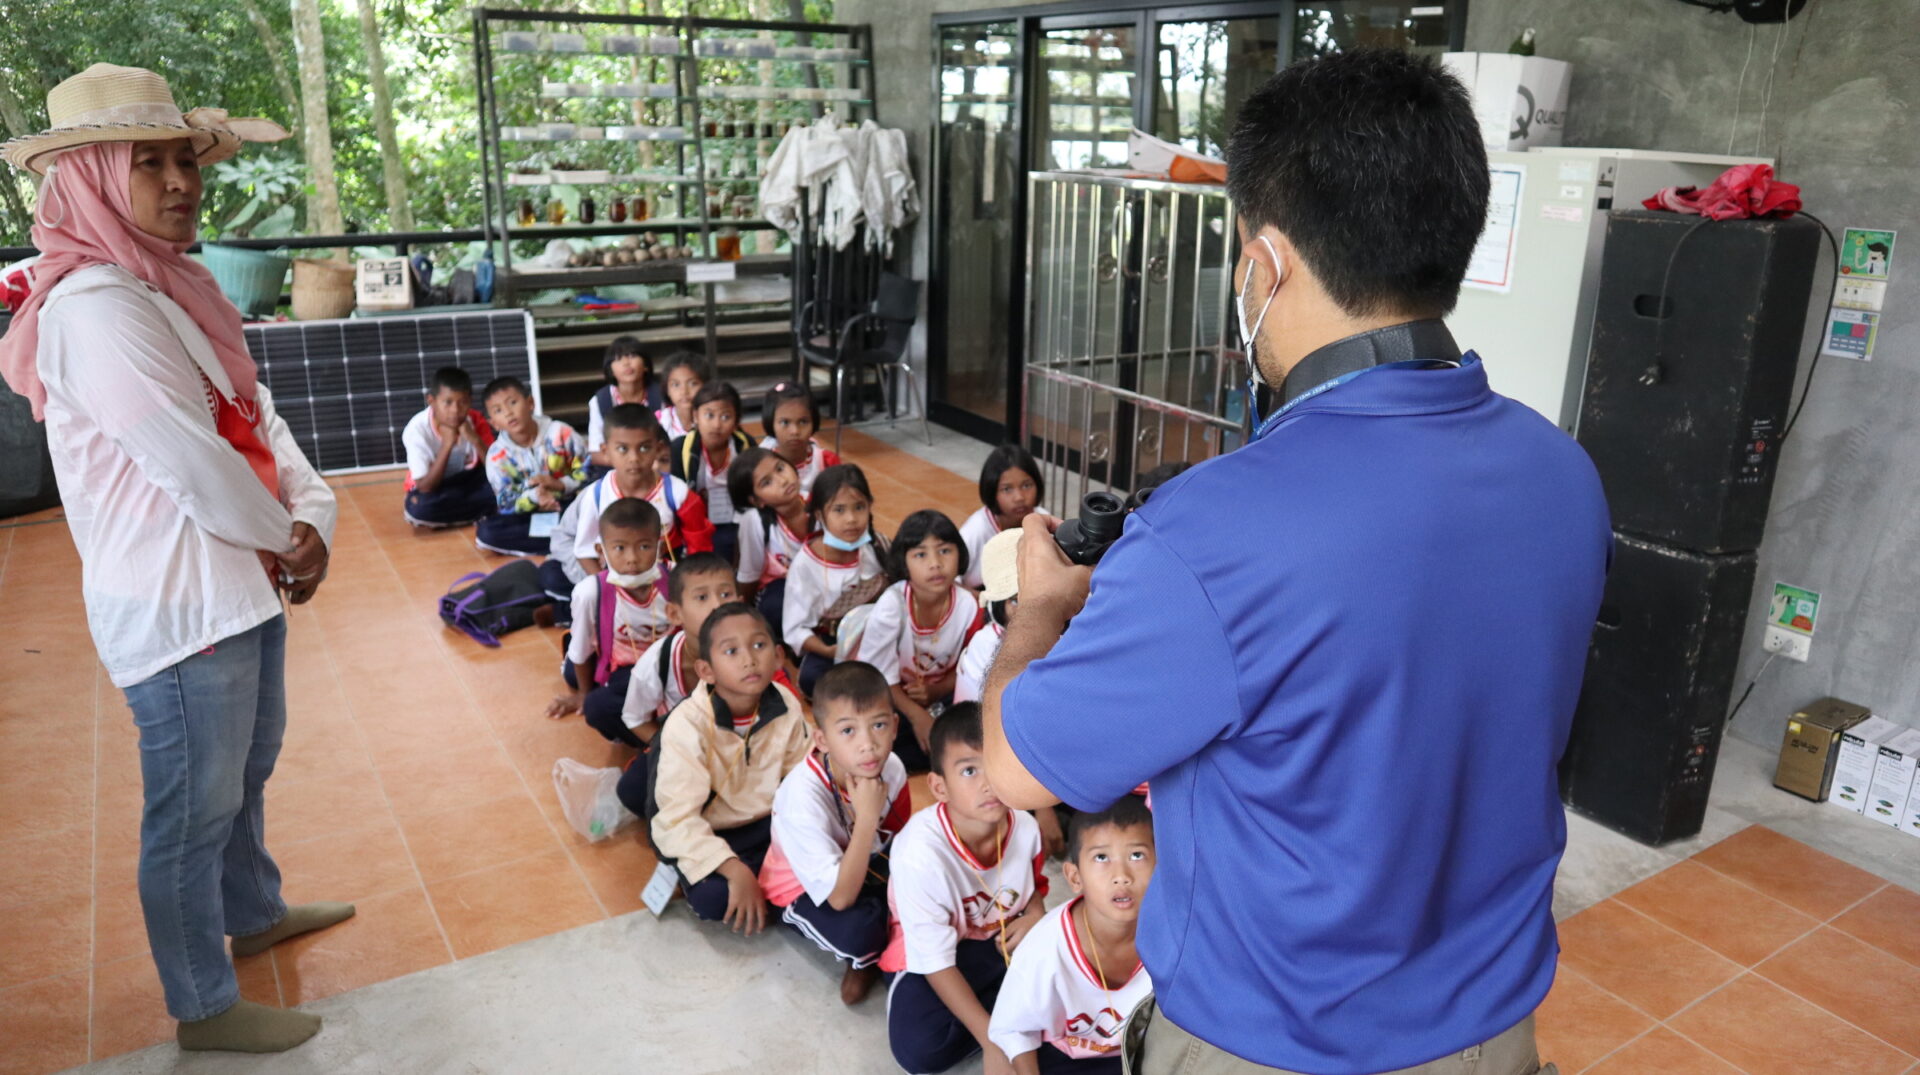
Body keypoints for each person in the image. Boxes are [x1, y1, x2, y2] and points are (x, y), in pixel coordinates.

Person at [981, 50, 1610, 1075]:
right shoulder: (1564, 476)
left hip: (1275, 1044)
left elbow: (1012, 766)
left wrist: (1039, 616)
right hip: (1496, 1033)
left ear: (1263, 266)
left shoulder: (1210, 534)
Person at [0, 64, 353, 1053]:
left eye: (182, 159)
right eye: (146, 162)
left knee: (244, 768)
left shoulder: (161, 285)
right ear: (89, 181)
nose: (180, 181)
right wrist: (288, 539)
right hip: (179, 607)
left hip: (234, 584)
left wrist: (312, 514)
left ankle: (252, 912)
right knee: (191, 807)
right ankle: (203, 1004)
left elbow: (248, 414)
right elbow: (192, 463)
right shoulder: (95, 310)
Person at [885, 703, 1050, 1075]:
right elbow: (936, 960)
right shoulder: (919, 853)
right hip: (941, 953)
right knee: (919, 1051)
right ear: (939, 787)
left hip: (999, 940)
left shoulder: (1024, 827)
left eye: (995, 764)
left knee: (1071, 998)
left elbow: (1035, 886)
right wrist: (990, 1039)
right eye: (970, 770)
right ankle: (1001, 1014)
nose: (988, 782)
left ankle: (1003, 1010)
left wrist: (1037, 912)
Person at [648, 603, 812, 929]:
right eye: (731, 651)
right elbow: (678, 818)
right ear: (706, 671)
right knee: (715, 899)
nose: (749, 659)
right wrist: (733, 868)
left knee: (830, 861)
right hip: (713, 830)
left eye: (759, 645)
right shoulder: (688, 724)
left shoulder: (786, 703)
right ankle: (761, 887)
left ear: (779, 656)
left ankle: (769, 888)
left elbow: (801, 782)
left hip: (768, 825)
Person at [759, 661, 912, 1005]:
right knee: (860, 932)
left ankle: (891, 933)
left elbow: (900, 843)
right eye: (848, 731)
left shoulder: (894, 768)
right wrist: (868, 816)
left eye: (878, 725)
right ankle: (864, 960)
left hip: (867, 861)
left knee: (930, 883)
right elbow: (839, 898)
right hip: (803, 889)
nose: (868, 745)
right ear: (822, 740)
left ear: (895, 726)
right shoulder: (802, 796)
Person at [987, 797, 1156, 1075]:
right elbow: (1014, 1030)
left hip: (1145, 1052)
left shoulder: (1178, 934)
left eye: (1136, 855)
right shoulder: (1045, 946)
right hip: (1068, 1059)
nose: (1121, 876)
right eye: (1101, 858)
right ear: (1074, 877)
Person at [855, 509, 984, 771]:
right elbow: (877, 676)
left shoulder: (970, 605)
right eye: (920, 554)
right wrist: (917, 716)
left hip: (944, 694)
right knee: (881, 737)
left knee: (978, 720)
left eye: (945, 551)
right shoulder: (893, 605)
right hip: (893, 695)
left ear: (960, 554)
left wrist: (936, 691)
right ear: (904, 563)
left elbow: (968, 667)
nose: (935, 563)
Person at [546, 498, 672, 744]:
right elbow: (581, 651)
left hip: (671, 671)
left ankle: (661, 736)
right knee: (596, 706)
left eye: (645, 546)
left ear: (661, 546)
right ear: (601, 552)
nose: (632, 558)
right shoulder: (590, 592)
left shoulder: (677, 579)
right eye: (620, 548)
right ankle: (660, 744)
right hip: (626, 674)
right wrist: (583, 695)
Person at [782, 463, 887, 696]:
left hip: (878, 635)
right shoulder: (806, 564)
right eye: (839, 510)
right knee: (813, 678)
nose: (851, 519)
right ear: (820, 515)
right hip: (832, 642)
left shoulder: (876, 546)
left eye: (859, 507)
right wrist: (830, 651)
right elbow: (796, 628)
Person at [571, 403, 714, 569]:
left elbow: (700, 552)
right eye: (623, 449)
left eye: (644, 448)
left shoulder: (678, 494)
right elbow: (584, 552)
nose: (634, 458)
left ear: (658, 448)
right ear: (605, 451)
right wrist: (605, 591)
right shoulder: (596, 495)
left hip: (668, 582)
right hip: (614, 582)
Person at [619, 552, 739, 749]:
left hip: (737, 748)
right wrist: (669, 750)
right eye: (702, 597)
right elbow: (635, 718)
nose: (717, 606)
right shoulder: (657, 661)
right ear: (675, 613)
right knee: (633, 781)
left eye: (726, 594)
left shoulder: (756, 653)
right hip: (681, 745)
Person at [476, 375, 587, 556]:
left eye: (512, 402)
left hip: (568, 506)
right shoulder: (497, 455)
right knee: (487, 532)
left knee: (595, 513)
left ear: (530, 403)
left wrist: (561, 485)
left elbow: (588, 471)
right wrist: (535, 497)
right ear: (494, 423)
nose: (508, 412)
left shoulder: (561, 433)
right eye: (498, 410)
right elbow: (505, 501)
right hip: (528, 516)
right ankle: (569, 542)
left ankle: (564, 539)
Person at [728, 446, 814, 645]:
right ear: (757, 500)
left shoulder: (817, 502)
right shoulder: (755, 521)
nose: (782, 480)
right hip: (781, 587)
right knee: (775, 608)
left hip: (819, 580)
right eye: (767, 482)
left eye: (780, 468)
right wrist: (743, 617)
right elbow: (749, 576)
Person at [669, 380, 754, 566]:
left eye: (725, 417)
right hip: (697, 520)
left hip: (736, 516)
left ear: (736, 420)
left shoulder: (745, 445)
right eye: (709, 415)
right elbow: (674, 495)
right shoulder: (680, 448)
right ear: (695, 416)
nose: (716, 424)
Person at [401, 365, 496, 528]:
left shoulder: (475, 419)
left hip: (468, 481)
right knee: (418, 507)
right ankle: (484, 512)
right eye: (448, 402)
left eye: (463, 402)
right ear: (431, 401)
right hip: (435, 489)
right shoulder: (416, 430)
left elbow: (498, 468)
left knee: (509, 486)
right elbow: (425, 486)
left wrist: (475, 439)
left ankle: (463, 514)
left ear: (470, 401)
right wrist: (447, 444)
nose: (455, 410)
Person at [960, 444, 1048, 590]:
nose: (1019, 497)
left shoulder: (1044, 521)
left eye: (1027, 486)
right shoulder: (975, 531)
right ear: (991, 491)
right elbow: (950, 583)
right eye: (1007, 489)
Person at [586, 335, 662, 476]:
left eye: (632, 356)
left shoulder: (661, 396)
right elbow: (596, 454)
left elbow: (669, 448)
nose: (626, 363)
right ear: (611, 370)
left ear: (646, 365)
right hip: (614, 471)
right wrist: (632, 466)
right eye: (618, 359)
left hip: (657, 468)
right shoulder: (600, 400)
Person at [760, 380, 841, 495]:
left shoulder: (827, 462)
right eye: (785, 422)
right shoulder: (760, 463)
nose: (795, 431)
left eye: (803, 422)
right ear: (771, 423)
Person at [654, 350, 707, 444]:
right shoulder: (661, 422)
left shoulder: (711, 419)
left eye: (693, 384)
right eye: (676, 385)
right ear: (667, 390)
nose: (684, 391)